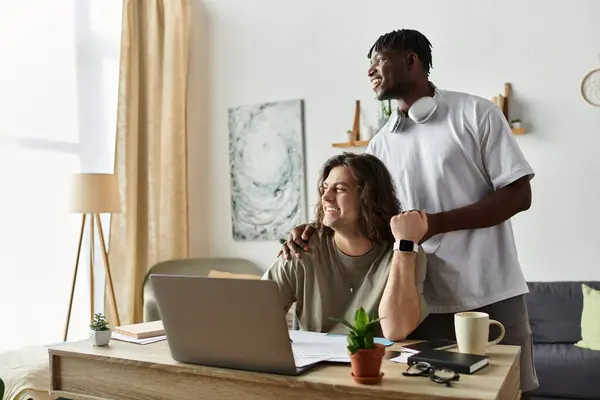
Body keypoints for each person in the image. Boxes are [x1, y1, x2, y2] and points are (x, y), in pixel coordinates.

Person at [279, 29, 538, 393]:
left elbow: (518, 195)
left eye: (378, 61)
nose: (370, 72)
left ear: (412, 61)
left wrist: (432, 223)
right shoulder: (380, 143)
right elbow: (369, 219)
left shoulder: (477, 112)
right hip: (420, 303)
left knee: (511, 392)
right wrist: (312, 229)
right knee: (427, 394)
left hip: (490, 292)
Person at [263, 152, 429, 341]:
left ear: (368, 198)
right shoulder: (302, 248)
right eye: (325, 188)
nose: (326, 197)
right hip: (313, 369)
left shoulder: (404, 254)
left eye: (340, 189)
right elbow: (254, 314)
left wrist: (405, 247)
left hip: (375, 367)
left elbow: (396, 329)